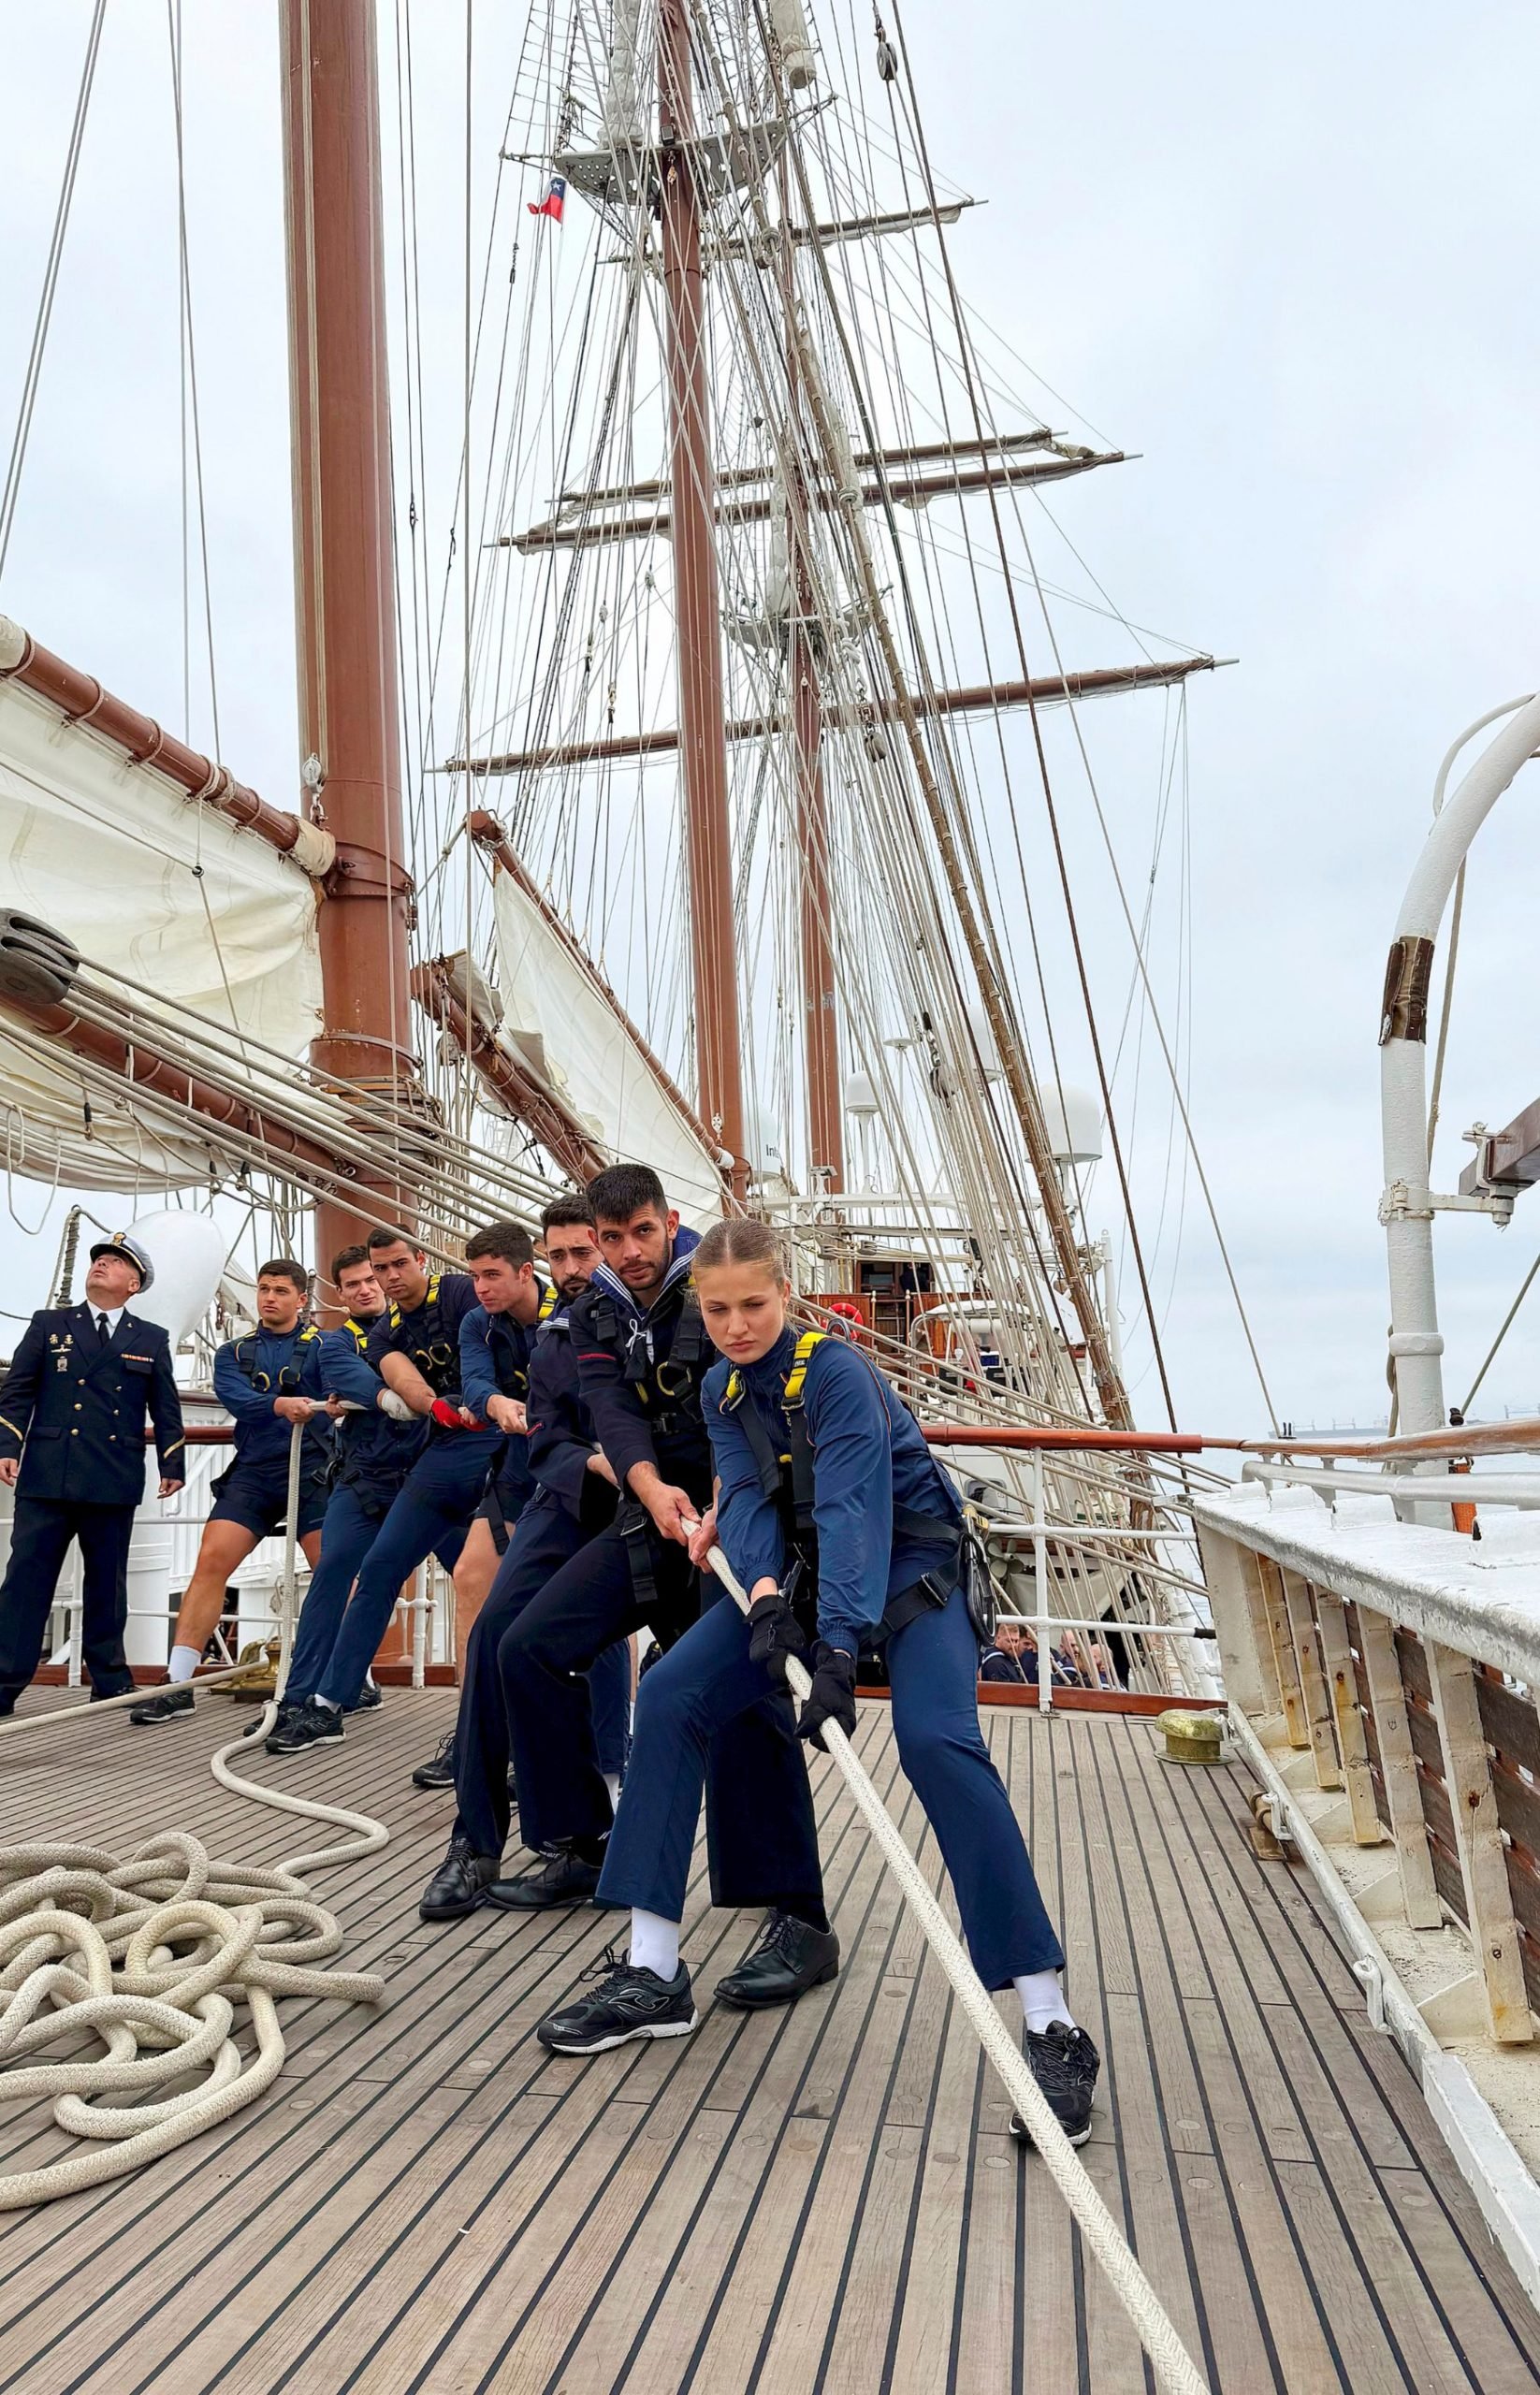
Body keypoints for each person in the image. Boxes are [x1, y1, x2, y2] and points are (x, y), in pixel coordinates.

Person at [533, 1218, 1100, 2153]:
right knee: (671, 1692)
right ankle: (651, 1970)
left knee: (933, 1741)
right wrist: (760, 1596)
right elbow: (747, 1502)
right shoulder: (720, 1387)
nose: (734, 1325)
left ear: (785, 1295)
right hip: (804, 1579)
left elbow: (853, 1507)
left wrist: (834, 1647)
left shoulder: (836, 1374)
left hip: (909, 1577)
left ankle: (1048, 2018)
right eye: (716, 1310)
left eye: (751, 1304)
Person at [495, 1168, 835, 2018]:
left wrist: (733, 1513)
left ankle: (798, 1917)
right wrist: (649, 1493)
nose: (627, 1254)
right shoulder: (598, 1308)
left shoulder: (714, 1289)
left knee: (743, 1701)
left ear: (668, 1223)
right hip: (654, 1518)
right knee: (527, 1648)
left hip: (732, 1520)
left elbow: (751, 1409)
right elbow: (609, 1410)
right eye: (611, 1240)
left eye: (640, 1234)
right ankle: (583, 1840)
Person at [418, 1197, 632, 1919]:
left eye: (586, 1252)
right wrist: (588, 1466)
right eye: (562, 1255)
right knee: (492, 1644)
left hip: (648, 1507)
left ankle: (582, 1836)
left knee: (549, 1650)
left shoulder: (660, 1318)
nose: (573, 1268)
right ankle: (475, 1843)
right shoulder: (554, 1336)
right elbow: (543, 1433)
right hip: (566, 1498)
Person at [270, 1227, 503, 1749]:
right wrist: (397, 1398)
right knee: (348, 1572)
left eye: (393, 1267)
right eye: (366, 1276)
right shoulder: (353, 1342)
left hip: (469, 1462)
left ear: (421, 1259)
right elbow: (367, 1373)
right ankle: (310, 1700)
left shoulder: (466, 1296)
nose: (380, 1282)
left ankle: (486, 1724)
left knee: (481, 1585)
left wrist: (472, 1399)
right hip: (380, 1479)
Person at [130, 1258, 329, 1726]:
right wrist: (280, 1403)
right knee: (211, 1562)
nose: (269, 1298)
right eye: (263, 1289)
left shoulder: (327, 1347)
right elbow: (237, 1399)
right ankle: (179, 1684)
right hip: (256, 1472)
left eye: (281, 1290)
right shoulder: (233, 1353)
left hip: (316, 1469)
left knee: (333, 1571)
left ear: (302, 1299)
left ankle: (348, 1675)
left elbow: (344, 1391)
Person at [0, 1233, 184, 1715]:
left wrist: (173, 1461)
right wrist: (7, 1445)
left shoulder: (150, 1338)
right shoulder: (50, 1325)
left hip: (112, 1473)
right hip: (48, 1474)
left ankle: (110, 1681)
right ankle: (3, 1684)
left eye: (116, 1262)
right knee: (25, 1581)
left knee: (108, 1582)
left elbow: (165, 1408)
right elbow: (18, 1392)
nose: (103, 1263)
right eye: (100, 1258)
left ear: (134, 1284)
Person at [407, 1220, 557, 1790]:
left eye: (493, 1275)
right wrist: (496, 1401)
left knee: (581, 1602)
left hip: (574, 1471)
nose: (483, 1287)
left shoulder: (565, 1317)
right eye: (475, 1276)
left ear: (526, 1272)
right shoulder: (479, 1323)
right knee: (470, 1579)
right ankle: (477, 1735)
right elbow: (473, 1383)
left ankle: (605, 1734)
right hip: (518, 1470)